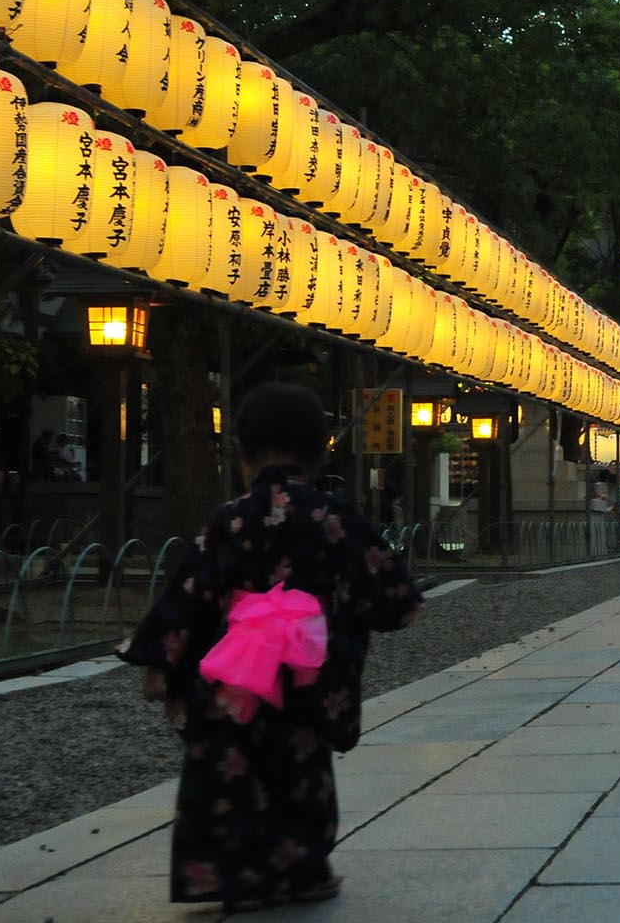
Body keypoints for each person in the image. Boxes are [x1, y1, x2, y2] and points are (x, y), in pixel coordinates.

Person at [117, 383, 422, 912]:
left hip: (233, 677)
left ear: (240, 449)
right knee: (301, 771)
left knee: (225, 769)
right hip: (307, 677)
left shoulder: (229, 520)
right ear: (322, 448)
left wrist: (162, 661)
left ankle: (225, 872)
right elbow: (396, 598)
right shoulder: (332, 518)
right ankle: (301, 869)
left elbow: (191, 595)